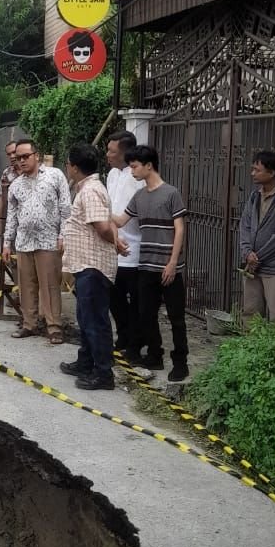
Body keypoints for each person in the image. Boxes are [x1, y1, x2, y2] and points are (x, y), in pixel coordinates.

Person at [113, 145, 189, 381]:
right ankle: (155, 355)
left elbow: (180, 229)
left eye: (135, 166)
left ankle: (180, 362)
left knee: (176, 317)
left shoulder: (171, 193)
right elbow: (121, 220)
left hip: (168, 267)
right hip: (145, 265)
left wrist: (173, 262)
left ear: (149, 166)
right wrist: (98, 207)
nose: (132, 171)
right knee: (146, 314)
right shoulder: (139, 196)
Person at [59, 142, 118, 391]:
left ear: (74, 167)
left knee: (95, 321)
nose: (67, 168)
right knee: (85, 318)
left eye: (68, 164)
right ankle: (86, 361)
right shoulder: (87, 188)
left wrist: (116, 242)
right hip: (85, 265)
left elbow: (103, 227)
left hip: (93, 266)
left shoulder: (91, 190)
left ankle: (103, 373)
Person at [3, 138, 71, 344]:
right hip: (24, 242)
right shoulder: (15, 185)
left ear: (37, 156)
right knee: (26, 286)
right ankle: (29, 324)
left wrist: (63, 235)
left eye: (25, 157)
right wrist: (7, 242)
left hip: (48, 241)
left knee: (50, 286)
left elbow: (65, 208)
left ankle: (54, 327)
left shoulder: (55, 176)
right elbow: (12, 216)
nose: (21, 161)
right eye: (17, 158)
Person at [239, 150, 275, 326]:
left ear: (271, 172)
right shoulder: (255, 195)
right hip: (252, 267)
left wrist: (258, 257)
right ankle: (250, 351)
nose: (252, 173)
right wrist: (247, 253)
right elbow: (245, 225)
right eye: (253, 169)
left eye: (257, 170)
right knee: (250, 314)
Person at [106, 131, 144, 361]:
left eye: (112, 151)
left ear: (125, 153)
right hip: (111, 248)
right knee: (114, 299)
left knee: (136, 303)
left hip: (134, 250)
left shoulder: (138, 177)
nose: (108, 154)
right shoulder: (111, 175)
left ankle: (136, 344)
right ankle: (123, 336)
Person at [0, 141, 19, 228]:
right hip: (12, 219)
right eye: (9, 154)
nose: (12, 156)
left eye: (14, 152)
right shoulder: (7, 173)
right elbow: (1, 197)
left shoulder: (30, 171)